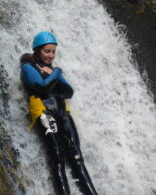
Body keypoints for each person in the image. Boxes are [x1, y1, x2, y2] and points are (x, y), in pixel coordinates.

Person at [20, 31, 98, 195]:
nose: (51, 55)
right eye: (47, 51)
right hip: (43, 112)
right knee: (57, 158)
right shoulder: (28, 68)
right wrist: (57, 72)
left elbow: (69, 92)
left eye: (53, 52)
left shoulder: (52, 70)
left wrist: (55, 73)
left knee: (76, 156)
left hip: (62, 111)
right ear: (37, 51)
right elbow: (42, 86)